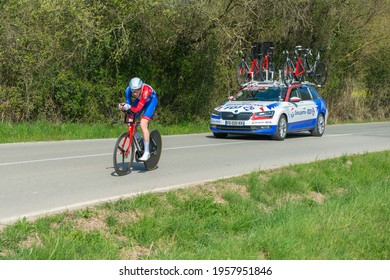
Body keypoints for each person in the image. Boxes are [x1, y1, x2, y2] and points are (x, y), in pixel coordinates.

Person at [118, 77, 158, 161]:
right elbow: (128, 104)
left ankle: (146, 152)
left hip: (150, 101)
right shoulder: (128, 90)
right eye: (133, 90)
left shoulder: (146, 90)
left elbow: (138, 109)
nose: (134, 93)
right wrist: (123, 106)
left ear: (141, 88)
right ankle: (139, 140)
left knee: (143, 124)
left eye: (136, 90)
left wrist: (127, 107)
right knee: (130, 122)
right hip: (140, 101)